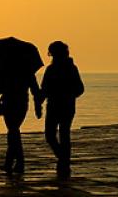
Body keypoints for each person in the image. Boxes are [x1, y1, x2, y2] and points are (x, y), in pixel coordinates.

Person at [38, 41, 84, 178]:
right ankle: (63, 159)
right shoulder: (63, 69)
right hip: (64, 105)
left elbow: (79, 89)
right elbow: (45, 89)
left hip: (58, 106)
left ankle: (63, 159)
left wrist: (66, 95)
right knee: (60, 134)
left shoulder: (60, 69)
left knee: (54, 134)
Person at [0, 60, 42, 175]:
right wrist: (38, 107)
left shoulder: (5, 70)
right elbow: (35, 91)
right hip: (22, 103)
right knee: (13, 131)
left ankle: (17, 163)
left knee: (12, 131)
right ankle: (13, 163)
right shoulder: (28, 71)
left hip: (9, 103)